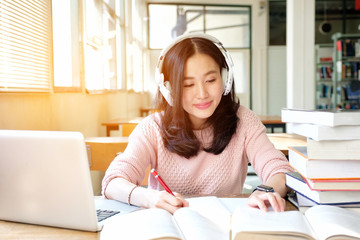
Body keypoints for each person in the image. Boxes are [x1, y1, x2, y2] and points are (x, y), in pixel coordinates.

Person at [102, 33, 293, 214]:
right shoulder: (152, 128)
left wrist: (265, 190)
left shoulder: (244, 121)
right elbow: (113, 182)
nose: (202, 93)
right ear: (168, 89)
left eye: (210, 80)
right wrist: (149, 198)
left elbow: (280, 170)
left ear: (225, 79)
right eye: (188, 84)